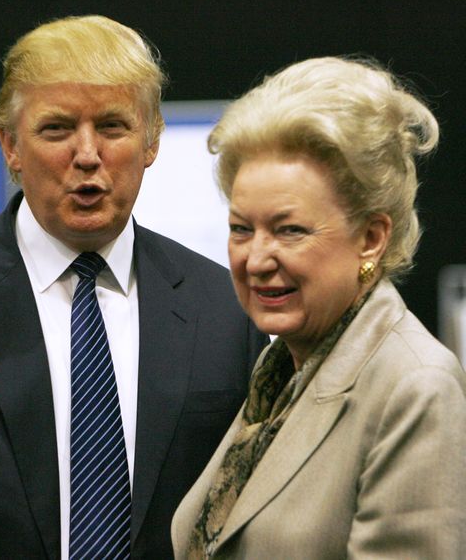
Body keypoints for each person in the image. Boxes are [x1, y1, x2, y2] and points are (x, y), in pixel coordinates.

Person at [0, 15, 267, 558]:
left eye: (112, 127)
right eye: (57, 129)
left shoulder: (226, 305)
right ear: (11, 145)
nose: (87, 155)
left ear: (152, 140)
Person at [171, 57, 466, 559]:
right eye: (242, 229)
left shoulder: (416, 387)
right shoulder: (281, 369)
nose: (256, 259)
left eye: (290, 230)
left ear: (371, 238)